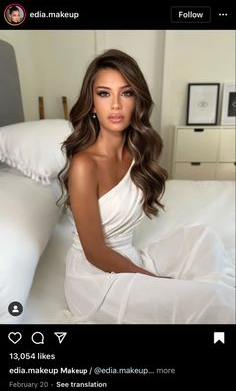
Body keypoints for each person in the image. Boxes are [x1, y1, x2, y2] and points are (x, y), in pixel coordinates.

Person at [58, 49, 234, 324]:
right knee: (213, 299)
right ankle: (207, 293)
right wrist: (158, 282)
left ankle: (209, 288)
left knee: (204, 237)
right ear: (92, 104)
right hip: (94, 278)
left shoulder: (138, 151)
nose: (115, 104)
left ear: (137, 100)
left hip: (127, 256)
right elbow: (95, 252)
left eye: (126, 93)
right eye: (104, 94)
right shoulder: (84, 165)